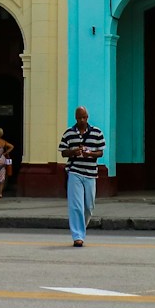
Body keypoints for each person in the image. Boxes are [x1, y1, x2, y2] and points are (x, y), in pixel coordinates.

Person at [59, 106, 105, 247]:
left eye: (84, 117)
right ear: (76, 118)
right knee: (76, 206)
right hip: (75, 171)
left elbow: (100, 153)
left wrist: (89, 154)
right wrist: (73, 152)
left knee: (89, 206)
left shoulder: (97, 133)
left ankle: (81, 228)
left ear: (87, 117)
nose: (82, 120)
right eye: (79, 118)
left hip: (90, 173)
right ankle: (78, 236)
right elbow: (63, 152)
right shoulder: (69, 133)